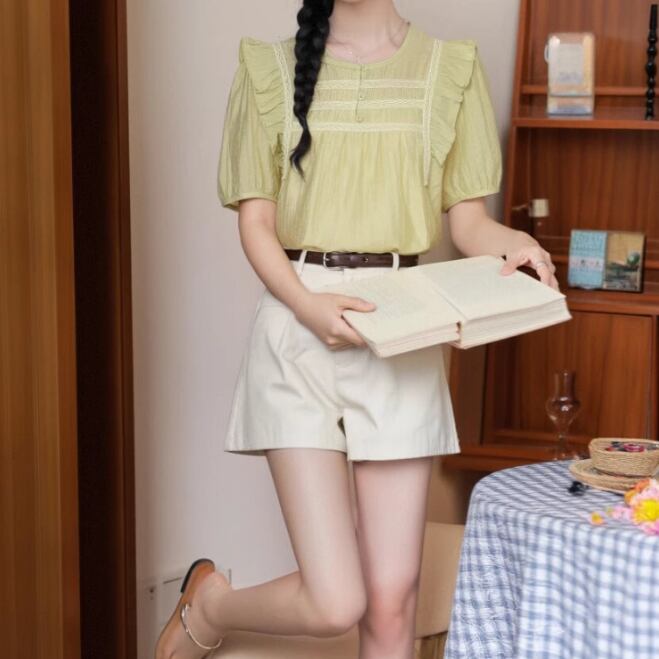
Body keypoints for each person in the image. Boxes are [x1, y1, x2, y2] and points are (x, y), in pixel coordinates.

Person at [156, 1, 559, 658]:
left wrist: (515, 244)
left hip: (404, 326)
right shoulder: (269, 69)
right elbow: (256, 224)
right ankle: (211, 604)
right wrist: (306, 305)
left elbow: (467, 224)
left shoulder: (449, 69)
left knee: (393, 597)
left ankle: (213, 605)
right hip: (298, 324)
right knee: (336, 600)